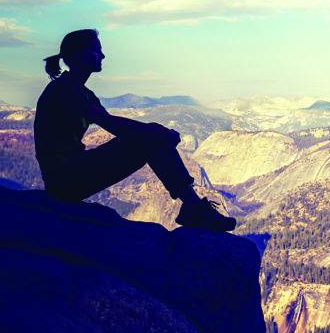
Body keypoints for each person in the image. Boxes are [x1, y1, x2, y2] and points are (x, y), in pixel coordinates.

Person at [33, 29, 236, 232]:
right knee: (150, 139)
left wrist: (154, 133)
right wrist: (156, 132)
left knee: (150, 138)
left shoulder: (79, 91)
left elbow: (114, 124)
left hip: (67, 176)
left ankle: (193, 205)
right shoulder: (66, 90)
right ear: (77, 55)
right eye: (97, 50)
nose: (103, 56)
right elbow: (111, 124)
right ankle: (193, 206)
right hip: (65, 180)